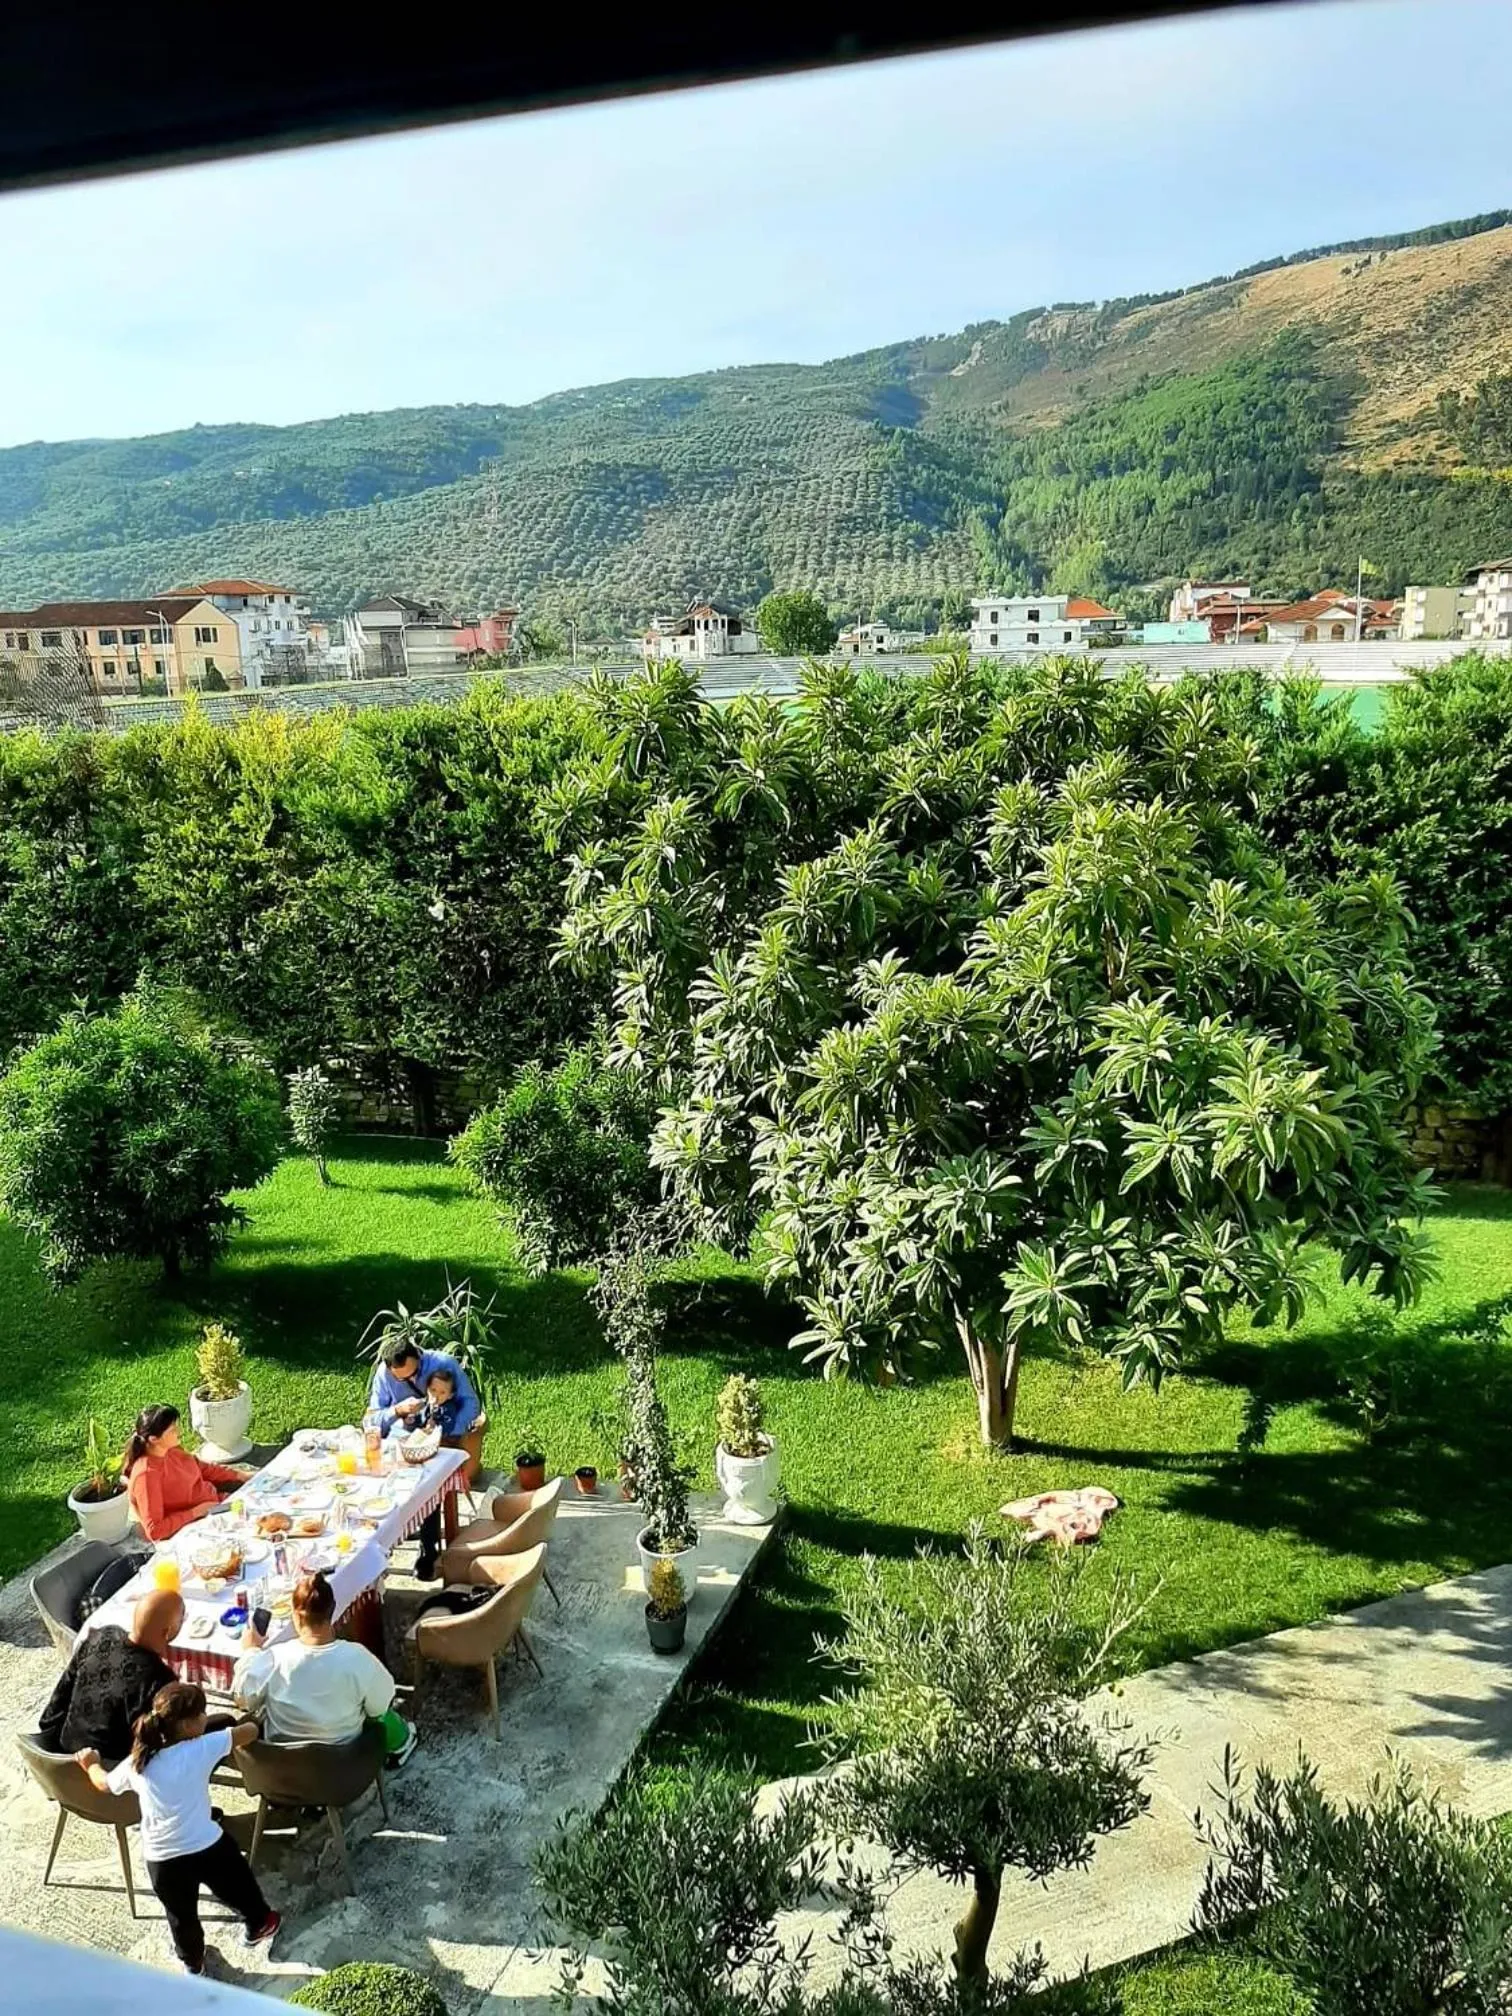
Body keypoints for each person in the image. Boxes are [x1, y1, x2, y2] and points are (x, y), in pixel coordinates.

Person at [77, 1681, 279, 1976]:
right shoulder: (202, 1747)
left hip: (162, 1859)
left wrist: (90, 1764)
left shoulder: (139, 1761)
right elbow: (250, 1733)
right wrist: (241, 1724)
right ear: (186, 1725)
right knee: (239, 1887)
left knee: (181, 1916)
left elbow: (104, 1783)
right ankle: (260, 1923)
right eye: (202, 1715)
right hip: (207, 1844)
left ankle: (192, 1962)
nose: (205, 1719)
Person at [231, 1569, 416, 1769]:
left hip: (284, 1768)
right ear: (333, 1610)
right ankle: (401, 1743)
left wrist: (250, 1651)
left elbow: (242, 1698)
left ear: (295, 1615)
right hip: (342, 1766)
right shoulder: (358, 1658)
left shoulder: (273, 1659)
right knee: (377, 1715)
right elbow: (381, 1706)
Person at [366, 1340, 480, 1578]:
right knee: (378, 1484)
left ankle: (428, 1551)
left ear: (418, 1356)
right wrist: (397, 1411)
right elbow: (372, 1419)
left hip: (440, 1440)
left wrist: (445, 1431)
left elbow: (471, 1403)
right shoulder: (384, 1375)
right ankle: (381, 1549)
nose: (408, 1381)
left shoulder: (442, 1364)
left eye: (414, 1375)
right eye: (400, 1379)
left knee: (427, 1487)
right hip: (402, 1442)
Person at [39, 1587, 183, 1763]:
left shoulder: (101, 1635)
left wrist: (47, 1745)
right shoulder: (161, 1680)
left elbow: (63, 1691)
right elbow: (168, 1742)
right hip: (111, 1768)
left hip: (64, 1749)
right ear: (167, 1633)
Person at [124, 1404, 250, 1542]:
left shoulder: (171, 1449)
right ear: (154, 1439)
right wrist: (197, 1511)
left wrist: (239, 1475)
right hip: (195, 1523)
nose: (179, 1431)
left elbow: (202, 1468)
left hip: (214, 1500)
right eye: (172, 1430)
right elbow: (155, 1530)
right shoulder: (146, 1476)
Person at [419, 1365, 466, 1439]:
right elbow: (421, 1416)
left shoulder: (448, 1408)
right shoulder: (426, 1404)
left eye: (442, 1392)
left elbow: (449, 1425)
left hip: (445, 1440)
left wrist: (436, 1425)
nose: (436, 1395)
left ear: (450, 1395)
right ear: (427, 1389)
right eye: (433, 1390)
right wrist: (412, 1420)